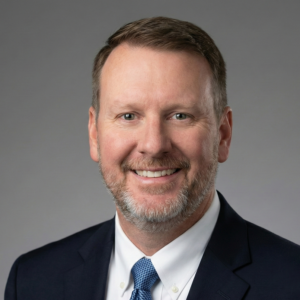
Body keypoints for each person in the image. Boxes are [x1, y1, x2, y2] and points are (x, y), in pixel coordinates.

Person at [5, 16, 300, 300]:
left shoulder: (292, 282)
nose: (153, 145)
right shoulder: (32, 281)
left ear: (222, 134)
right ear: (94, 134)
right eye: (128, 115)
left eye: (180, 116)